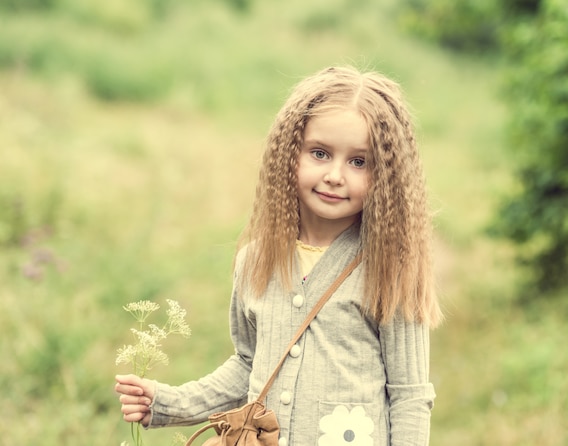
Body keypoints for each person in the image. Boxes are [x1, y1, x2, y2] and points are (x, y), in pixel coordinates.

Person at [115, 66, 443, 445]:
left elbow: (409, 394)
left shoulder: (389, 269)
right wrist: (169, 402)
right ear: (289, 154)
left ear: (385, 175)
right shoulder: (256, 260)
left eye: (358, 162)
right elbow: (249, 364)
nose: (335, 175)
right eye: (319, 153)